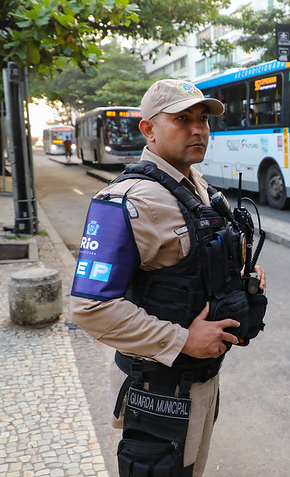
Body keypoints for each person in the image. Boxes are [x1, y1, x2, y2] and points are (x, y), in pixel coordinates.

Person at [70, 79, 267, 477]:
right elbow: (89, 307)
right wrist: (183, 340)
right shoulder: (125, 201)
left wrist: (244, 273)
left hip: (200, 384)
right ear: (149, 129)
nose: (198, 129)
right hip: (158, 392)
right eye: (182, 119)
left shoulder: (199, 188)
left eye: (204, 119)